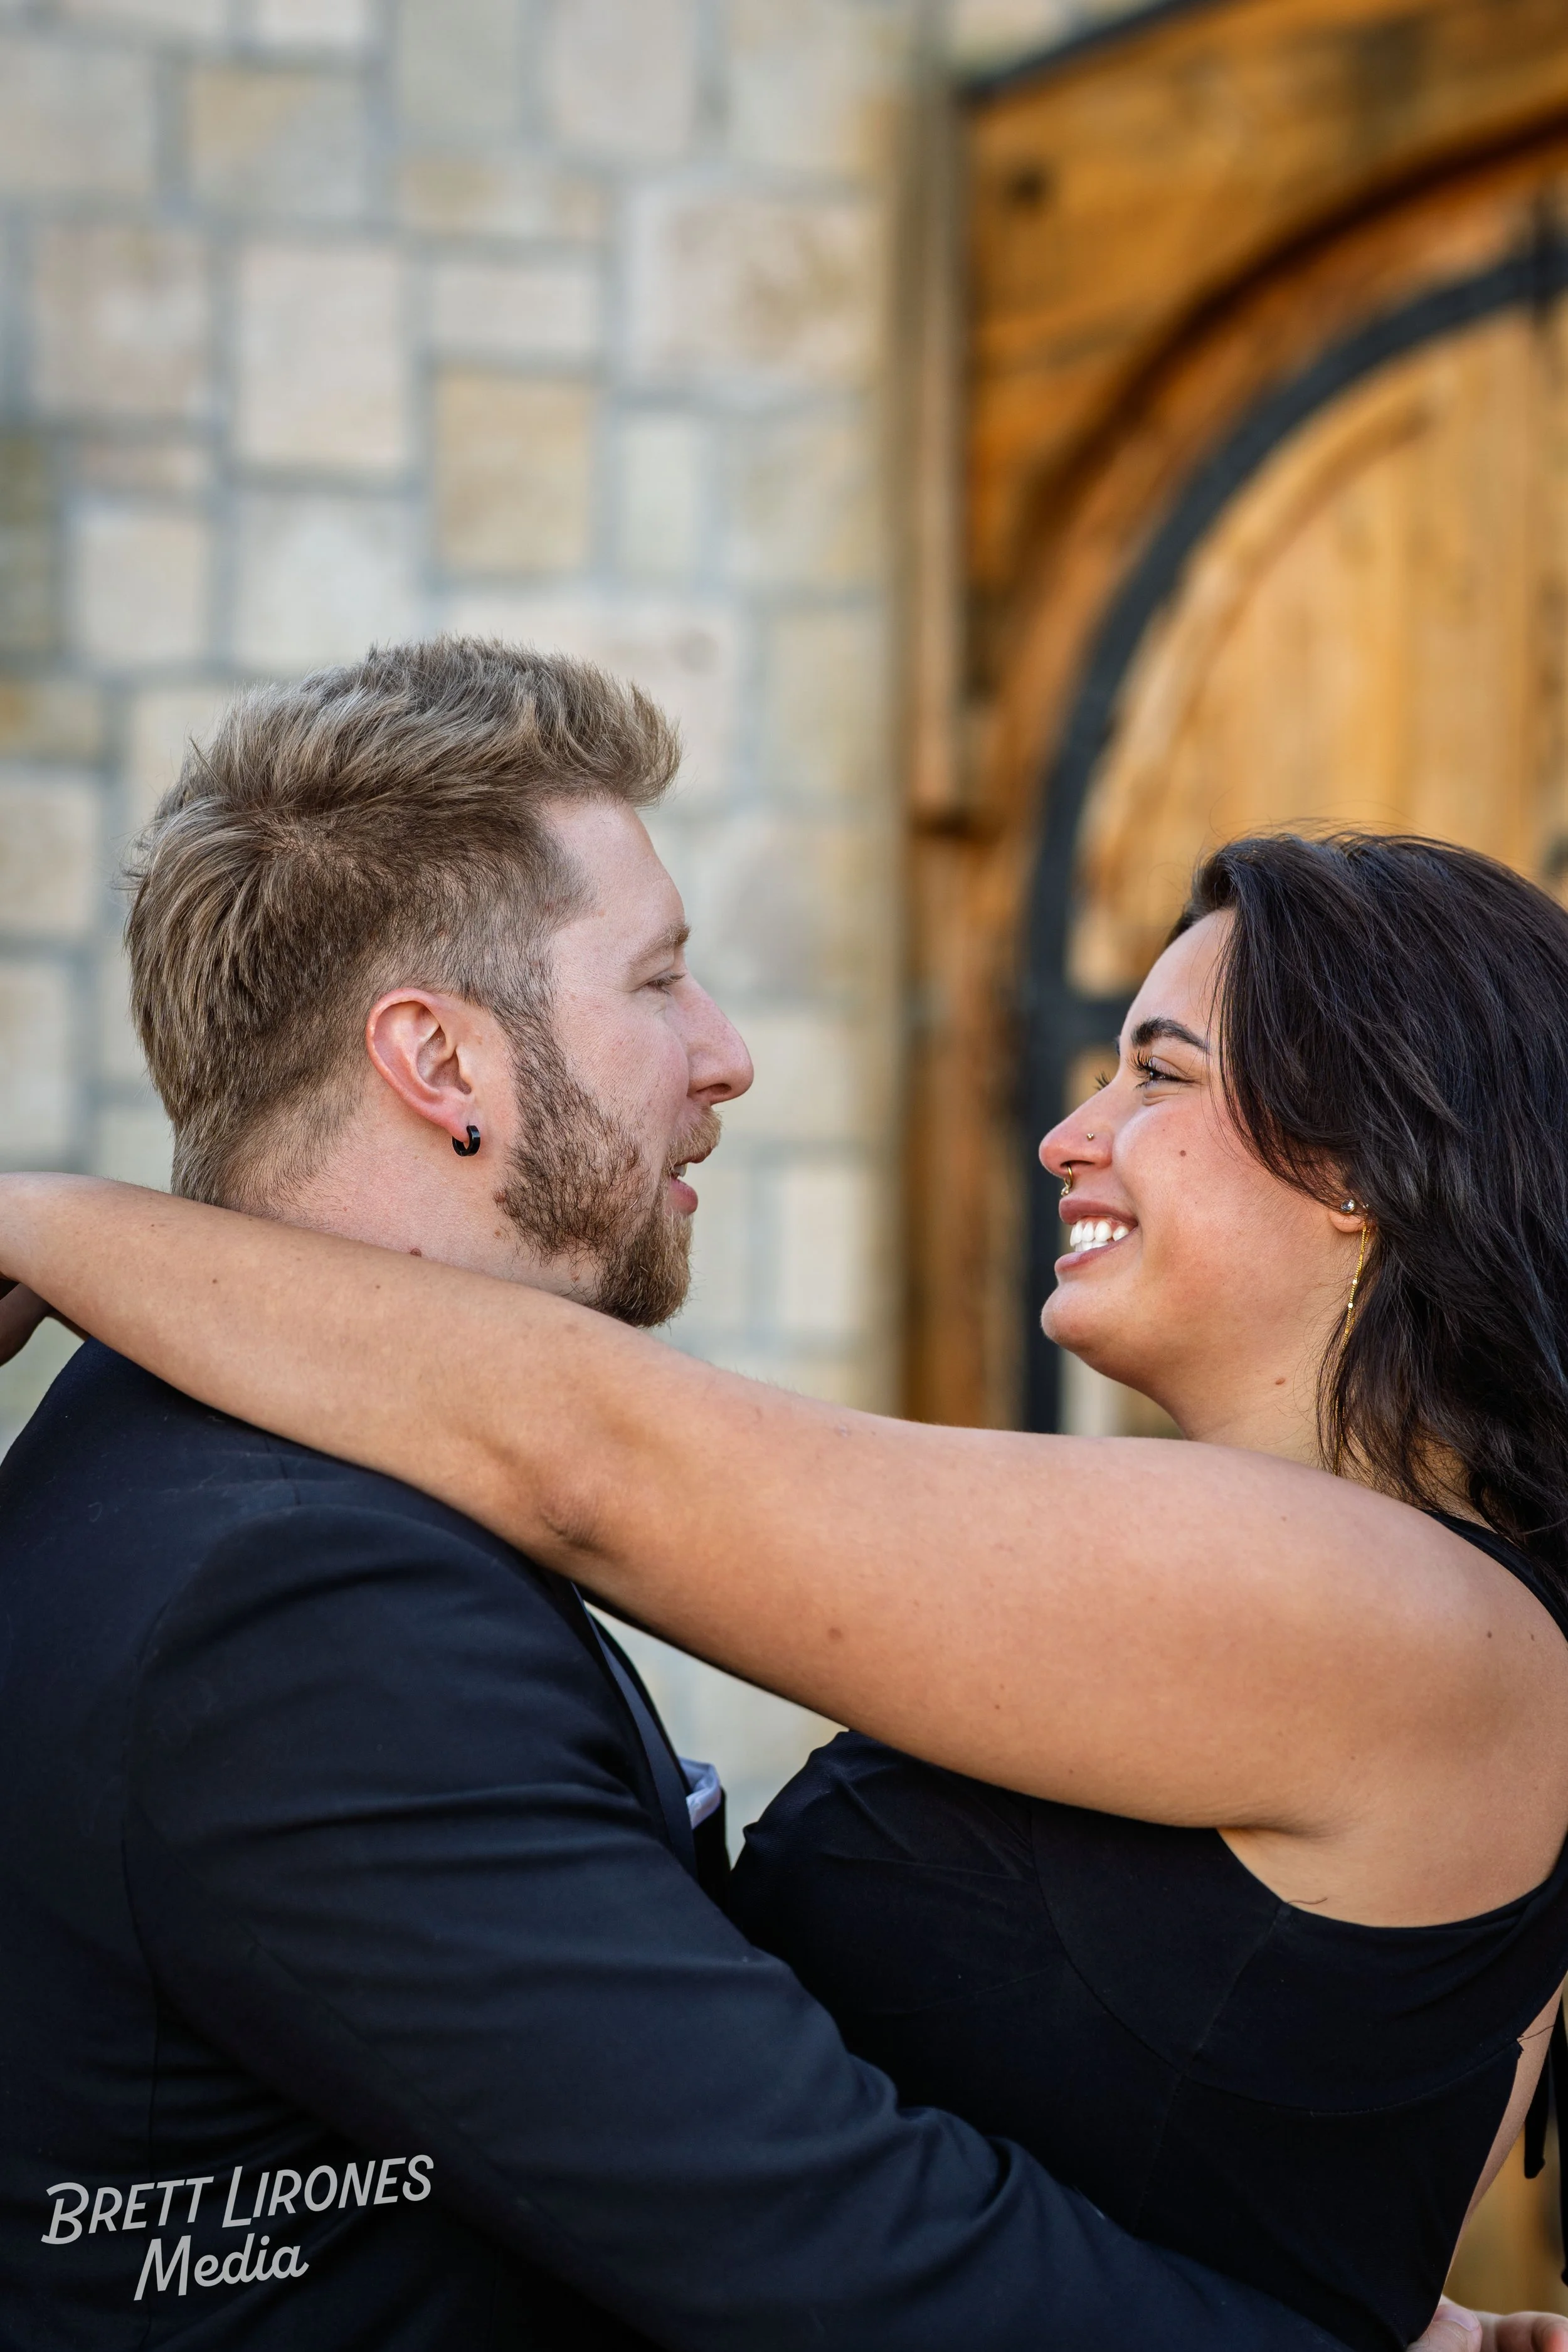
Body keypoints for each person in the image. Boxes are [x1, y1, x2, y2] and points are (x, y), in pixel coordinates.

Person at [0, 635, 1392, 2352]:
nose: (724, 1055)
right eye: (658, 980)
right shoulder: (290, 1600)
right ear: (440, 1063)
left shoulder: (263, 1480)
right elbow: (842, 2252)